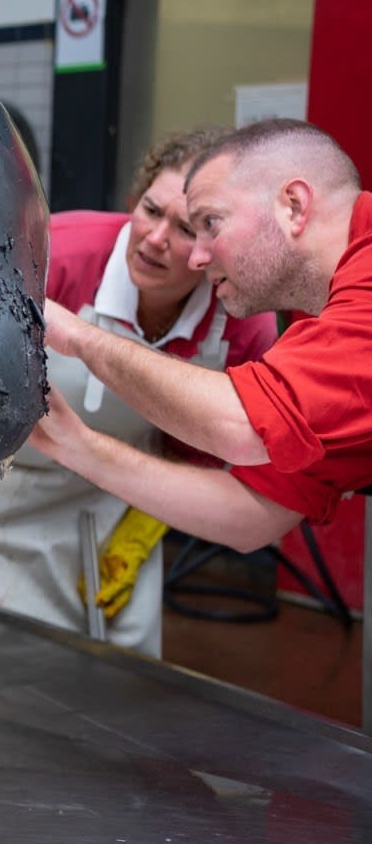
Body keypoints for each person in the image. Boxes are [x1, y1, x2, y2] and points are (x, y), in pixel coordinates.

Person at [0, 128, 278, 654]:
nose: (155, 239)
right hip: (0, 499)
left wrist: (142, 530)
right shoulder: (57, 250)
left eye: (187, 228)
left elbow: (214, 455)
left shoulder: (239, 323)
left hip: (116, 509)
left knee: (117, 681)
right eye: (150, 210)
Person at [36, 118, 370, 552]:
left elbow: (245, 426)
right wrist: (76, 445)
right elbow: (252, 514)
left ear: (293, 206)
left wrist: (82, 338)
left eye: (208, 224)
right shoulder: (326, 343)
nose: (196, 257)